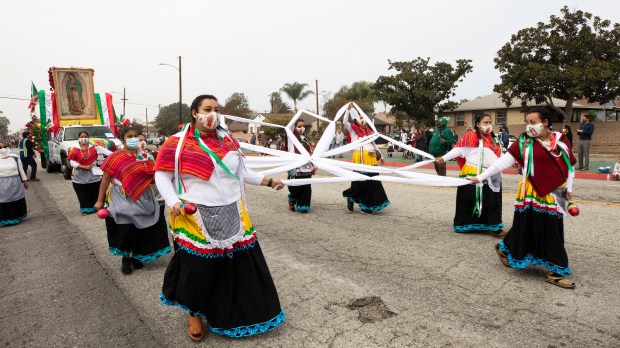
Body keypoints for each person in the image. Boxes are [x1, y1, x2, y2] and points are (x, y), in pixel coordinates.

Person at [154, 94, 286, 341]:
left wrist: (269, 182)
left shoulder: (228, 140)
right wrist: (173, 202)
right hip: (196, 214)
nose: (212, 114)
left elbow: (241, 173)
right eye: (207, 109)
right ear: (195, 113)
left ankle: (235, 311)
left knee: (238, 265)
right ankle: (194, 313)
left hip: (232, 210)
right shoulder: (176, 143)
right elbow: (161, 175)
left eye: (216, 109)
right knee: (200, 269)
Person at [470, 107, 577, 289]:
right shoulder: (524, 143)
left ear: (545, 123)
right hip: (531, 191)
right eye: (527, 122)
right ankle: (556, 271)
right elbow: (503, 161)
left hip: (554, 193)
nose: (530, 126)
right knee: (536, 226)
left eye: (533, 122)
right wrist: (481, 177)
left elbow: (569, 166)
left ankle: (506, 248)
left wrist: (569, 187)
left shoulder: (560, 141)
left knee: (541, 227)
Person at [95, 126, 170, 275]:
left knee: (142, 227)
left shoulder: (146, 156)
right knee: (125, 227)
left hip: (144, 196)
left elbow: (156, 177)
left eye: (135, 135)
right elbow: (106, 179)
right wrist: (99, 200)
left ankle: (137, 256)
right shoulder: (114, 157)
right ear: (122, 139)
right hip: (121, 196)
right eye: (129, 136)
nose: (133, 138)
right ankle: (125, 257)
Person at [435, 114, 504, 236]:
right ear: (478, 124)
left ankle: (493, 226)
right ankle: (467, 225)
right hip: (473, 171)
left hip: (491, 174)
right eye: (485, 122)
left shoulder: (494, 139)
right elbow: (459, 150)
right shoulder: (471, 136)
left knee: (492, 201)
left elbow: (501, 156)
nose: (488, 125)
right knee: (471, 200)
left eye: (490, 122)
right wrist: (443, 158)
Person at [342, 103, 390, 214]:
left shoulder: (369, 131)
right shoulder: (353, 130)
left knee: (373, 181)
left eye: (364, 119)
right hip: (359, 157)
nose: (363, 121)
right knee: (360, 182)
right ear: (356, 120)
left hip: (371, 157)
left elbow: (373, 144)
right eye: (360, 119)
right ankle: (352, 198)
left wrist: (381, 156)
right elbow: (344, 122)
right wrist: (347, 110)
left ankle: (369, 205)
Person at [67, 131, 111, 215]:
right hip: (79, 176)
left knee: (95, 191)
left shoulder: (95, 148)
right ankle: (86, 209)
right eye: (82, 137)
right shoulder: (75, 150)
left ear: (88, 138)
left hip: (93, 175)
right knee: (83, 193)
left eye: (85, 136)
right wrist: (84, 167)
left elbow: (110, 154)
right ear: (79, 139)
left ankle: (99, 207)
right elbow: (72, 163)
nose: (84, 138)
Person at [284, 119, 315, 213]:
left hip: (306, 165)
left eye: (303, 126)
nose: (302, 128)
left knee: (306, 185)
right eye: (299, 126)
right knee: (295, 185)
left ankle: (303, 205)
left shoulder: (305, 138)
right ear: (294, 127)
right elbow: (288, 127)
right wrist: (295, 116)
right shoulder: (291, 136)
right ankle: (292, 199)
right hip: (294, 164)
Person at [0, 141, 29, 226]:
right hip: (2, 184)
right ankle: (5, 219)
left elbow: (21, 170)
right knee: (4, 201)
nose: (3, 149)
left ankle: (17, 216)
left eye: (4, 147)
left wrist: (25, 181)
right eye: (0, 148)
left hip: (15, 183)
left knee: (16, 199)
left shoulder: (14, 158)